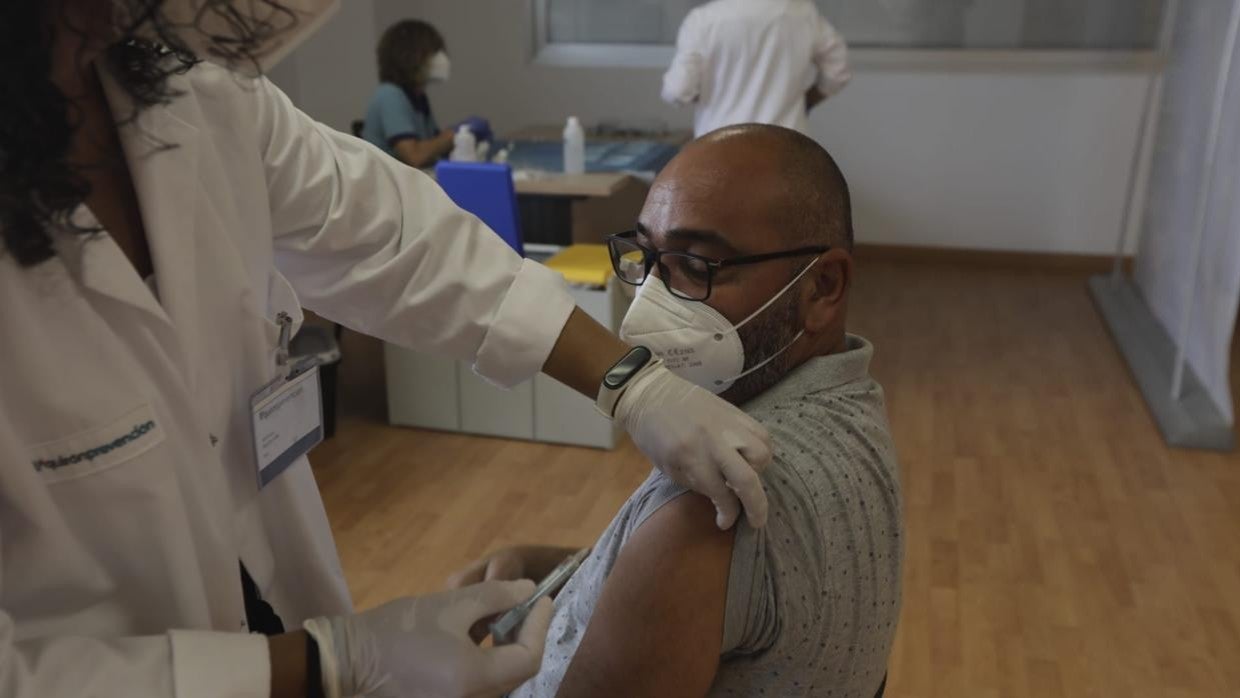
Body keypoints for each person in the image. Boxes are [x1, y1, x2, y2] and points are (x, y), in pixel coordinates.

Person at [0, 2, 776, 697]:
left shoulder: (190, 95)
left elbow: (396, 236)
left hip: (262, 586)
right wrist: (332, 666)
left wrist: (630, 384)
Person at [451, 124, 903, 697]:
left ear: (823, 286)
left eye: (695, 264)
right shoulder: (853, 406)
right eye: (647, 256)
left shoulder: (713, 502)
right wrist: (557, 570)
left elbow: (684, 572)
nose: (649, 307)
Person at [661, 0, 853, 137]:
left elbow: (678, 91)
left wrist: (707, 94)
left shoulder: (703, 21)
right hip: (786, 146)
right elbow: (838, 70)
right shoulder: (801, 12)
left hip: (718, 147)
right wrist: (807, 101)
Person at [360, 19, 491, 169]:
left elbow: (433, 146)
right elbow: (415, 156)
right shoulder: (389, 95)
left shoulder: (417, 96)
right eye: (434, 52)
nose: (441, 59)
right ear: (410, 56)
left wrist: (465, 138)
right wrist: (455, 133)